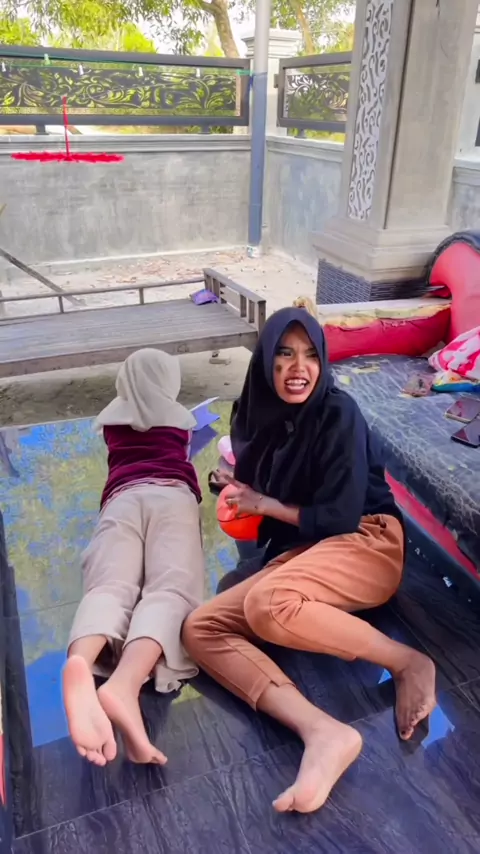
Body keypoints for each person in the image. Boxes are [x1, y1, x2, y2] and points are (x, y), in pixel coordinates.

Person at [183, 308, 436, 814]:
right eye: (284, 353)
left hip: (365, 538)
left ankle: (407, 661)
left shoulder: (339, 413)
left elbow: (339, 515)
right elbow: (270, 480)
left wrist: (264, 503)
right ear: (265, 361)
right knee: (200, 628)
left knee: (268, 604)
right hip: (308, 547)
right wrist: (240, 489)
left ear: (322, 362)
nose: (299, 368)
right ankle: (321, 731)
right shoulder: (256, 413)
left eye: (310, 355)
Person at [63, 348, 204, 767]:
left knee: (110, 585)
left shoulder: (111, 419)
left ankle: (80, 662)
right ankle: (125, 684)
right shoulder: (180, 418)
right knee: (169, 589)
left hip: (121, 500)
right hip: (172, 498)